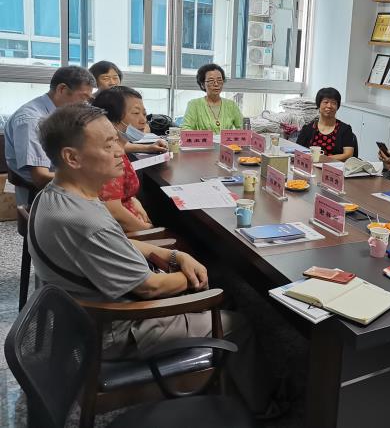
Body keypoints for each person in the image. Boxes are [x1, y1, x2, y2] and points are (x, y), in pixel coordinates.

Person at [31, 103, 283, 417]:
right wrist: (197, 277)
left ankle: (227, 378)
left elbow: (119, 244)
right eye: (108, 145)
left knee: (215, 289)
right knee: (238, 321)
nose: (120, 151)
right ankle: (263, 409)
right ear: (72, 157)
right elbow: (149, 288)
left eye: (117, 140)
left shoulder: (57, 195)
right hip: (119, 330)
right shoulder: (86, 222)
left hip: (82, 318)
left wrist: (171, 254)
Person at [3, 65, 95, 205]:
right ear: (62, 89)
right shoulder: (32, 120)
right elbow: (40, 177)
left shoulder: (60, 112)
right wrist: (87, 176)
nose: (85, 105)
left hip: (62, 182)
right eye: (83, 98)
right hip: (40, 194)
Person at [91, 86, 168, 232]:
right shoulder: (109, 158)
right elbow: (114, 212)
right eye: (136, 113)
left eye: (144, 114)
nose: (143, 120)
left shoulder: (117, 146)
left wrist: (133, 199)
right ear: (111, 119)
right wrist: (150, 230)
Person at [296, 87, 356, 162]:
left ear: (337, 106)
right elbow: (298, 150)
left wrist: (323, 159)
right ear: (319, 104)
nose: (329, 106)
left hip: (334, 167)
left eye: (333, 103)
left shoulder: (345, 129)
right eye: (326, 102)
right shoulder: (308, 129)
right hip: (311, 165)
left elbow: (348, 154)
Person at [182, 63, 243, 133]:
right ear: (202, 85)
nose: (216, 84)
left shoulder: (231, 105)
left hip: (227, 141)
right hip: (203, 141)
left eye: (219, 80)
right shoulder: (194, 105)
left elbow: (243, 128)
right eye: (211, 81)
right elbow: (185, 129)